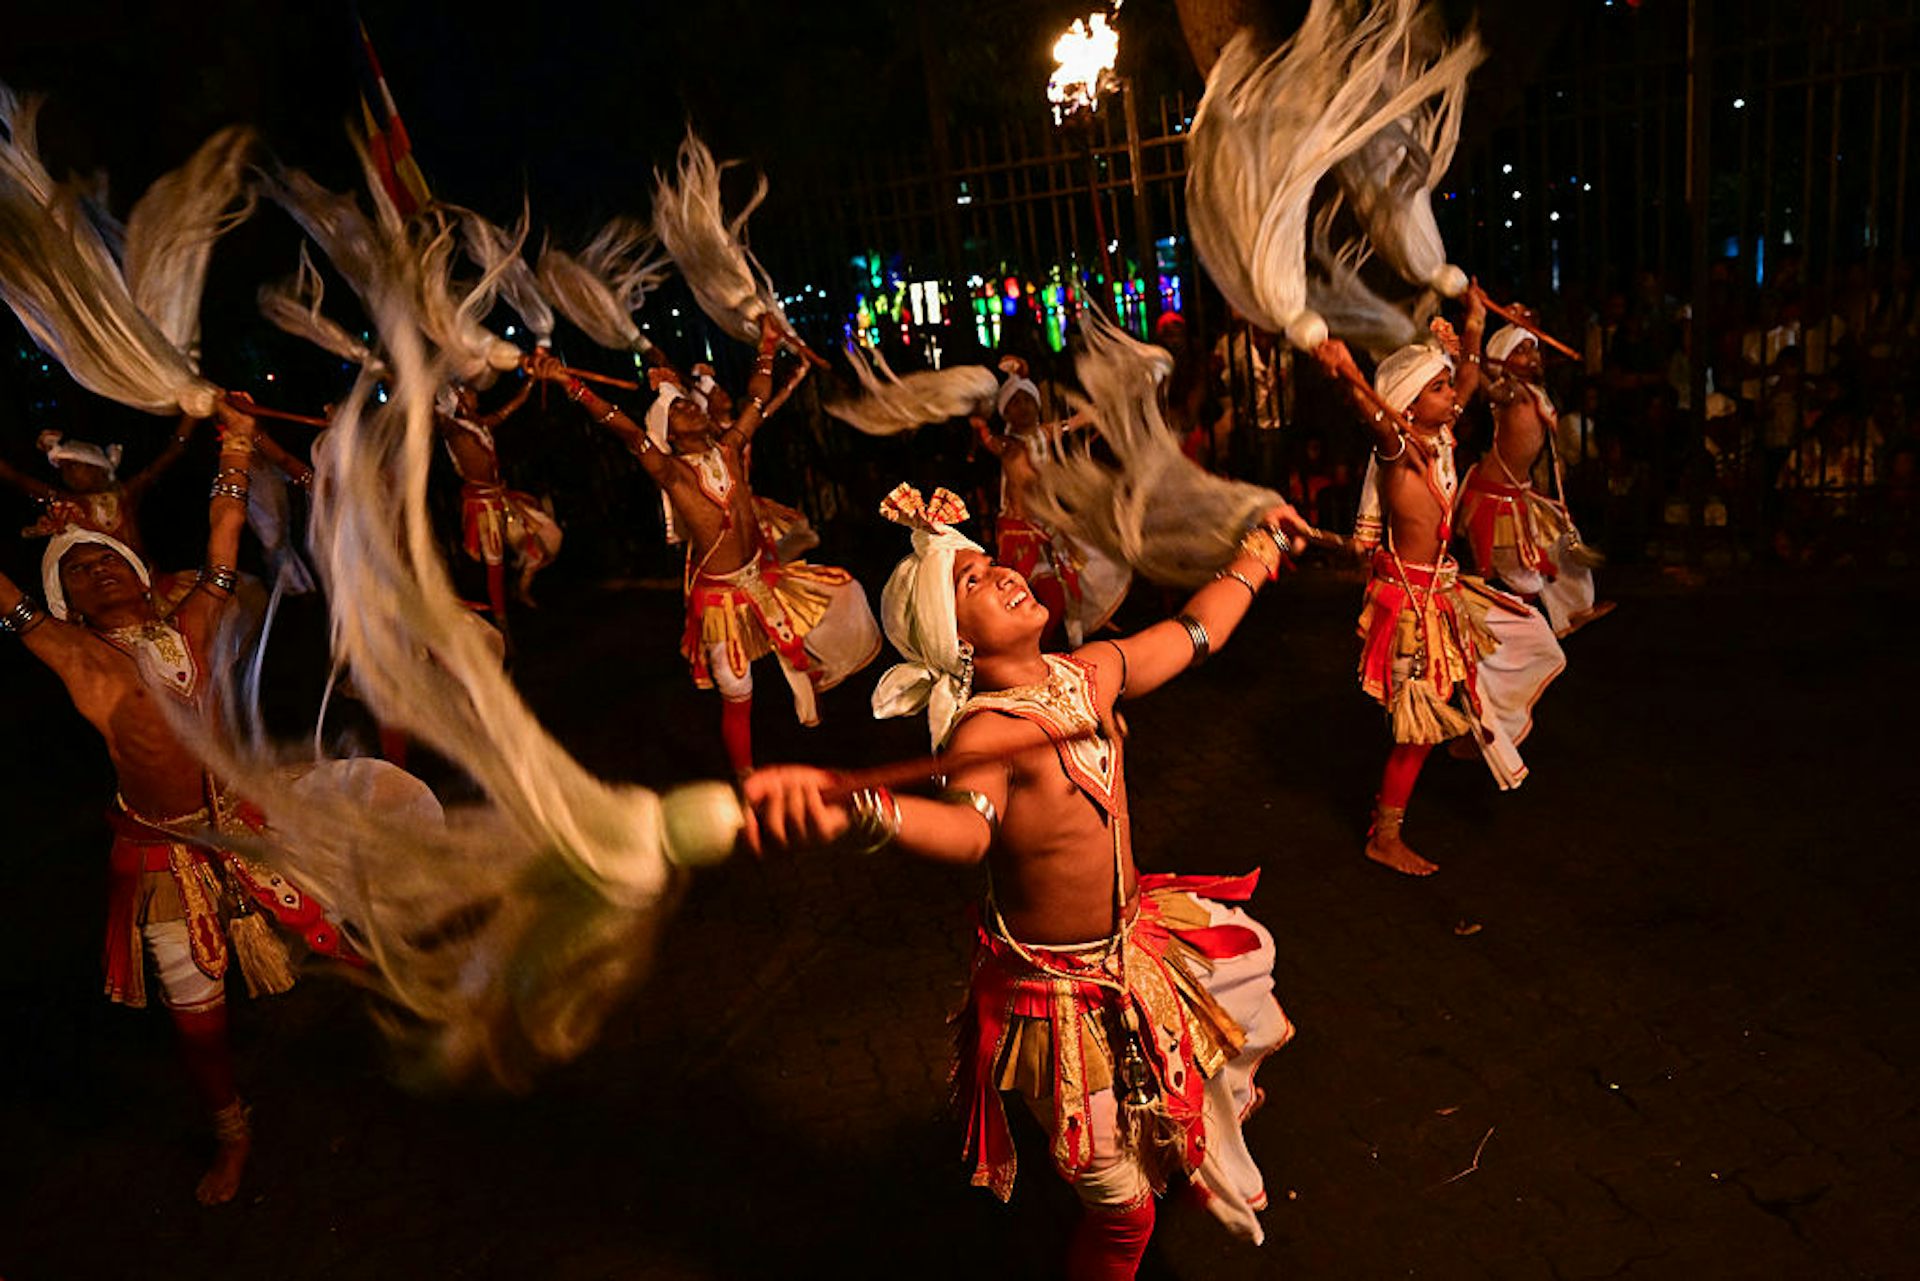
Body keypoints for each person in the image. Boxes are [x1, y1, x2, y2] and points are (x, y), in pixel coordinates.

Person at [741, 483, 1306, 1279]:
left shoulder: (1090, 671)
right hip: (1058, 999)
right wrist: (857, 808)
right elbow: (967, 830)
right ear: (957, 639)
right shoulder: (985, 731)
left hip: (1137, 950)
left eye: (989, 562)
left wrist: (1260, 550)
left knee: (1182, 1107)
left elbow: (1192, 632)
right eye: (971, 581)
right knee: (1123, 1214)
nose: (1003, 573)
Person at [0, 401, 354, 1205]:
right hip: (164, 854)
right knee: (197, 1015)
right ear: (66, 603)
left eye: (107, 558)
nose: (97, 570)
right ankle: (232, 1131)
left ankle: (412, 995)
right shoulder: (77, 656)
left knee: (338, 920)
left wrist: (236, 441)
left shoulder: (194, 615)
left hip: (245, 819)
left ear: (138, 567)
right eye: (77, 570)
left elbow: (224, 531)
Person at [526, 320, 879, 778]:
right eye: (677, 410)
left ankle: (815, 691)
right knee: (738, 692)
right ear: (668, 435)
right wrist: (568, 383)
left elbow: (757, 400)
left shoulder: (729, 448)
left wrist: (767, 345)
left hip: (762, 578)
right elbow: (625, 428)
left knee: (844, 592)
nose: (689, 407)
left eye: (689, 404)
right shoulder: (672, 472)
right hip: (720, 601)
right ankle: (745, 777)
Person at [1315, 309, 1566, 877]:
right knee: (1416, 730)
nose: (1454, 395)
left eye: (1448, 386)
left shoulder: (1442, 438)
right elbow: (1377, 423)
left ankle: (1470, 733)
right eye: (1438, 388)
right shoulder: (1399, 457)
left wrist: (1474, 325)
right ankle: (1385, 836)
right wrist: (1347, 373)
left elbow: (1471, 378)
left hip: (1444, 592)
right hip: (1411, 604)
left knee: (1525, 638)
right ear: (1407, 406)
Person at [1457, 318, 1616, 636]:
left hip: (1522, 492)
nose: (1532, 356)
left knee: (1563, 544)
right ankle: (1506, 636)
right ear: (1503, 360)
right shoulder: (1511, 392)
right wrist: (1468, 354)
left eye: (1533, 349)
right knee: (1522, 575)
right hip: (1496, 497)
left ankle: (1574, 611)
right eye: (1521, 350)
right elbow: (1486, 384)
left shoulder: (1534, 392)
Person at [971, 359, 1130, 649]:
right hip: (1020, 531)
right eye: (1014, 402)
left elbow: (1079, 420)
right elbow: (987, 438)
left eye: (1027, 400)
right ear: (1005, 411)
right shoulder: (1007, 444)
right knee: (1042, 591)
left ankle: (1073, 641)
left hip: (1048, 522)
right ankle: (1032, 647)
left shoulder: (1046, 433)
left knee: (1073, 579)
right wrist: (978, 420)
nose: (1023, 407)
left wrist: (1107, 401)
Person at [435, 374, 562, 627]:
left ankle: (522, 589)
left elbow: (511, 407)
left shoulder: (481, 424)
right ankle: (501, 623)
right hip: (482, 507)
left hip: (501, 497)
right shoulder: (454, 430)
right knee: (495, 565)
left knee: (545, 537)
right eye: (469, 392)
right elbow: (437, 417)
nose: (476, 396)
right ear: (459, 399)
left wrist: (531, 381)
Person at [0, 416, 199, 553]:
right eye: (63, 469)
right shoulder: (67, 502)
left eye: (73, 466)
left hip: (145, 579)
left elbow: (172, 453)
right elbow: (17, 478)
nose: (67, 474)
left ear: (98, 468)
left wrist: (192, 412)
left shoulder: (126, 493)